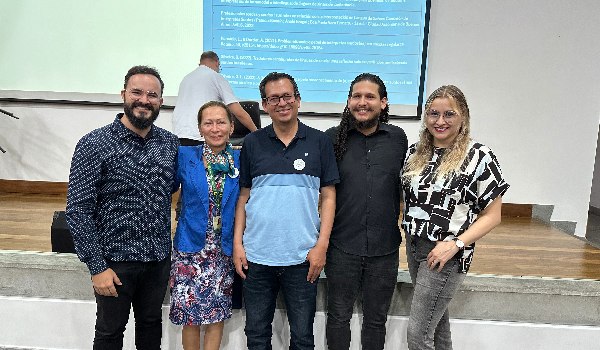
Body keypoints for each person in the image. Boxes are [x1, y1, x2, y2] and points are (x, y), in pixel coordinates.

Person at [65, 65, 178, 350]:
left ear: (161, 102)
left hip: (157, 259)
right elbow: (78, 211)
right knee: (109, 333)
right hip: (114, 262)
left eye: (152, 95)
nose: (144, 100)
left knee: (151, 327)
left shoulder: (170, 144)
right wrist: (96, 266)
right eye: (137, 92)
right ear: (123, 95)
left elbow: (172, 188)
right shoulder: (93, 144)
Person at [232, 72, 339, 350]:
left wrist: (322, 246)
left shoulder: (319, 142)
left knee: (303, 339)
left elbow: (328, 196)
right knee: (256, 336)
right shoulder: (252, 143)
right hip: (256, 258)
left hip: (303, 257)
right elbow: (244, 196)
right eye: (273, 98)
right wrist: (237, 245)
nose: (281, 103)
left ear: (298, 100)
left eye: (287, 96)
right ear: (265, 105)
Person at [402, 85, 509, 350]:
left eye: (449, 114)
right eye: (433, 114)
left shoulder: (479, 157)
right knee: (437, 327)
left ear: (463, 116)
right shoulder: (415, 153)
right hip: (415, 247)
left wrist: (456, 244)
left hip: (447, 253)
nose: (440, 121)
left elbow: (493, 215)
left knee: (418, 335)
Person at [324, 73, 408, 350]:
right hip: (342, 247)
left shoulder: (398, 139)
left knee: (376, 321)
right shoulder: (332, 139)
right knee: (338, 318)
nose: (362, 102)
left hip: (384, 249)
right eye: (356, 96)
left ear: (383, 103)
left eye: (370, 96)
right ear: (348, 101)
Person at [169, 101, 240, 350]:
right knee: (190, 315)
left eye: (221, 122)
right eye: (208, 123)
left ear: (231, 126)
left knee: (216, 312)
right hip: (190, 247)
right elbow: (165, 189)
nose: (215, 128)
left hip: (223, 249)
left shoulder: (241, 160)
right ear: (200, 128)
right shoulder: (185, 157)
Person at [172, 50, 258, 146]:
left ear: (200, 63)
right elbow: (237, 111)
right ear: (217, 63)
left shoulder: (186, 78)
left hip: (179, 134)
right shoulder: (216, 77)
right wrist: (257, 133)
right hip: (200, 136)